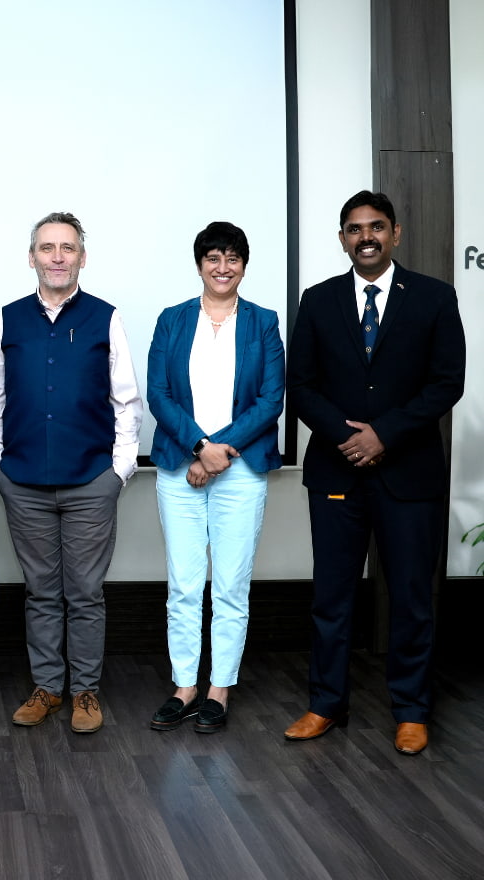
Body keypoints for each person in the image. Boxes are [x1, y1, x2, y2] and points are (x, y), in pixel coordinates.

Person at [284, 191, 465, 755]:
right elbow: (302, 386)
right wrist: (347, 436)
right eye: (354, 228)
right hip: (336, 473)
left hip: (409, 475)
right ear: (342, 237)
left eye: (376, 227)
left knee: (412, 596)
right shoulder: (318, 301)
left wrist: (383, 433)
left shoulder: (435, 299)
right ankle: (325, 704)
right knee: (332, 597)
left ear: (396, 233)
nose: (366, 236)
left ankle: (412, 711)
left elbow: (446, 382)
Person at [0, 212, 143, 734]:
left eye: (67, 248)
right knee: (41, 591)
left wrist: (118, 472)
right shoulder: (8, 318)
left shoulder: (106, 317)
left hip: (90, 480)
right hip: (23, 482)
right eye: (47, 248)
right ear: (31, 257)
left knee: (86, 592)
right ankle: (48, 687)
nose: (57, 256)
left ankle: (86, 693)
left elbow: (127, 402)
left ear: (81, 257)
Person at [146, 221, 284, 734]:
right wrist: (200, 449)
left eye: (233, 258)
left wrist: (220, 452)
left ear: (244, 265)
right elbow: (159, 393)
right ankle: (184, 686)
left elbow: (271, 400)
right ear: (199, 262)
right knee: (183, 585)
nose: (222, 267)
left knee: (230, 586)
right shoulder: (172, 319)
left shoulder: (264, 322)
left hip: (241, 471)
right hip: (181, 468)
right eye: (213, 257)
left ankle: (219, 688)